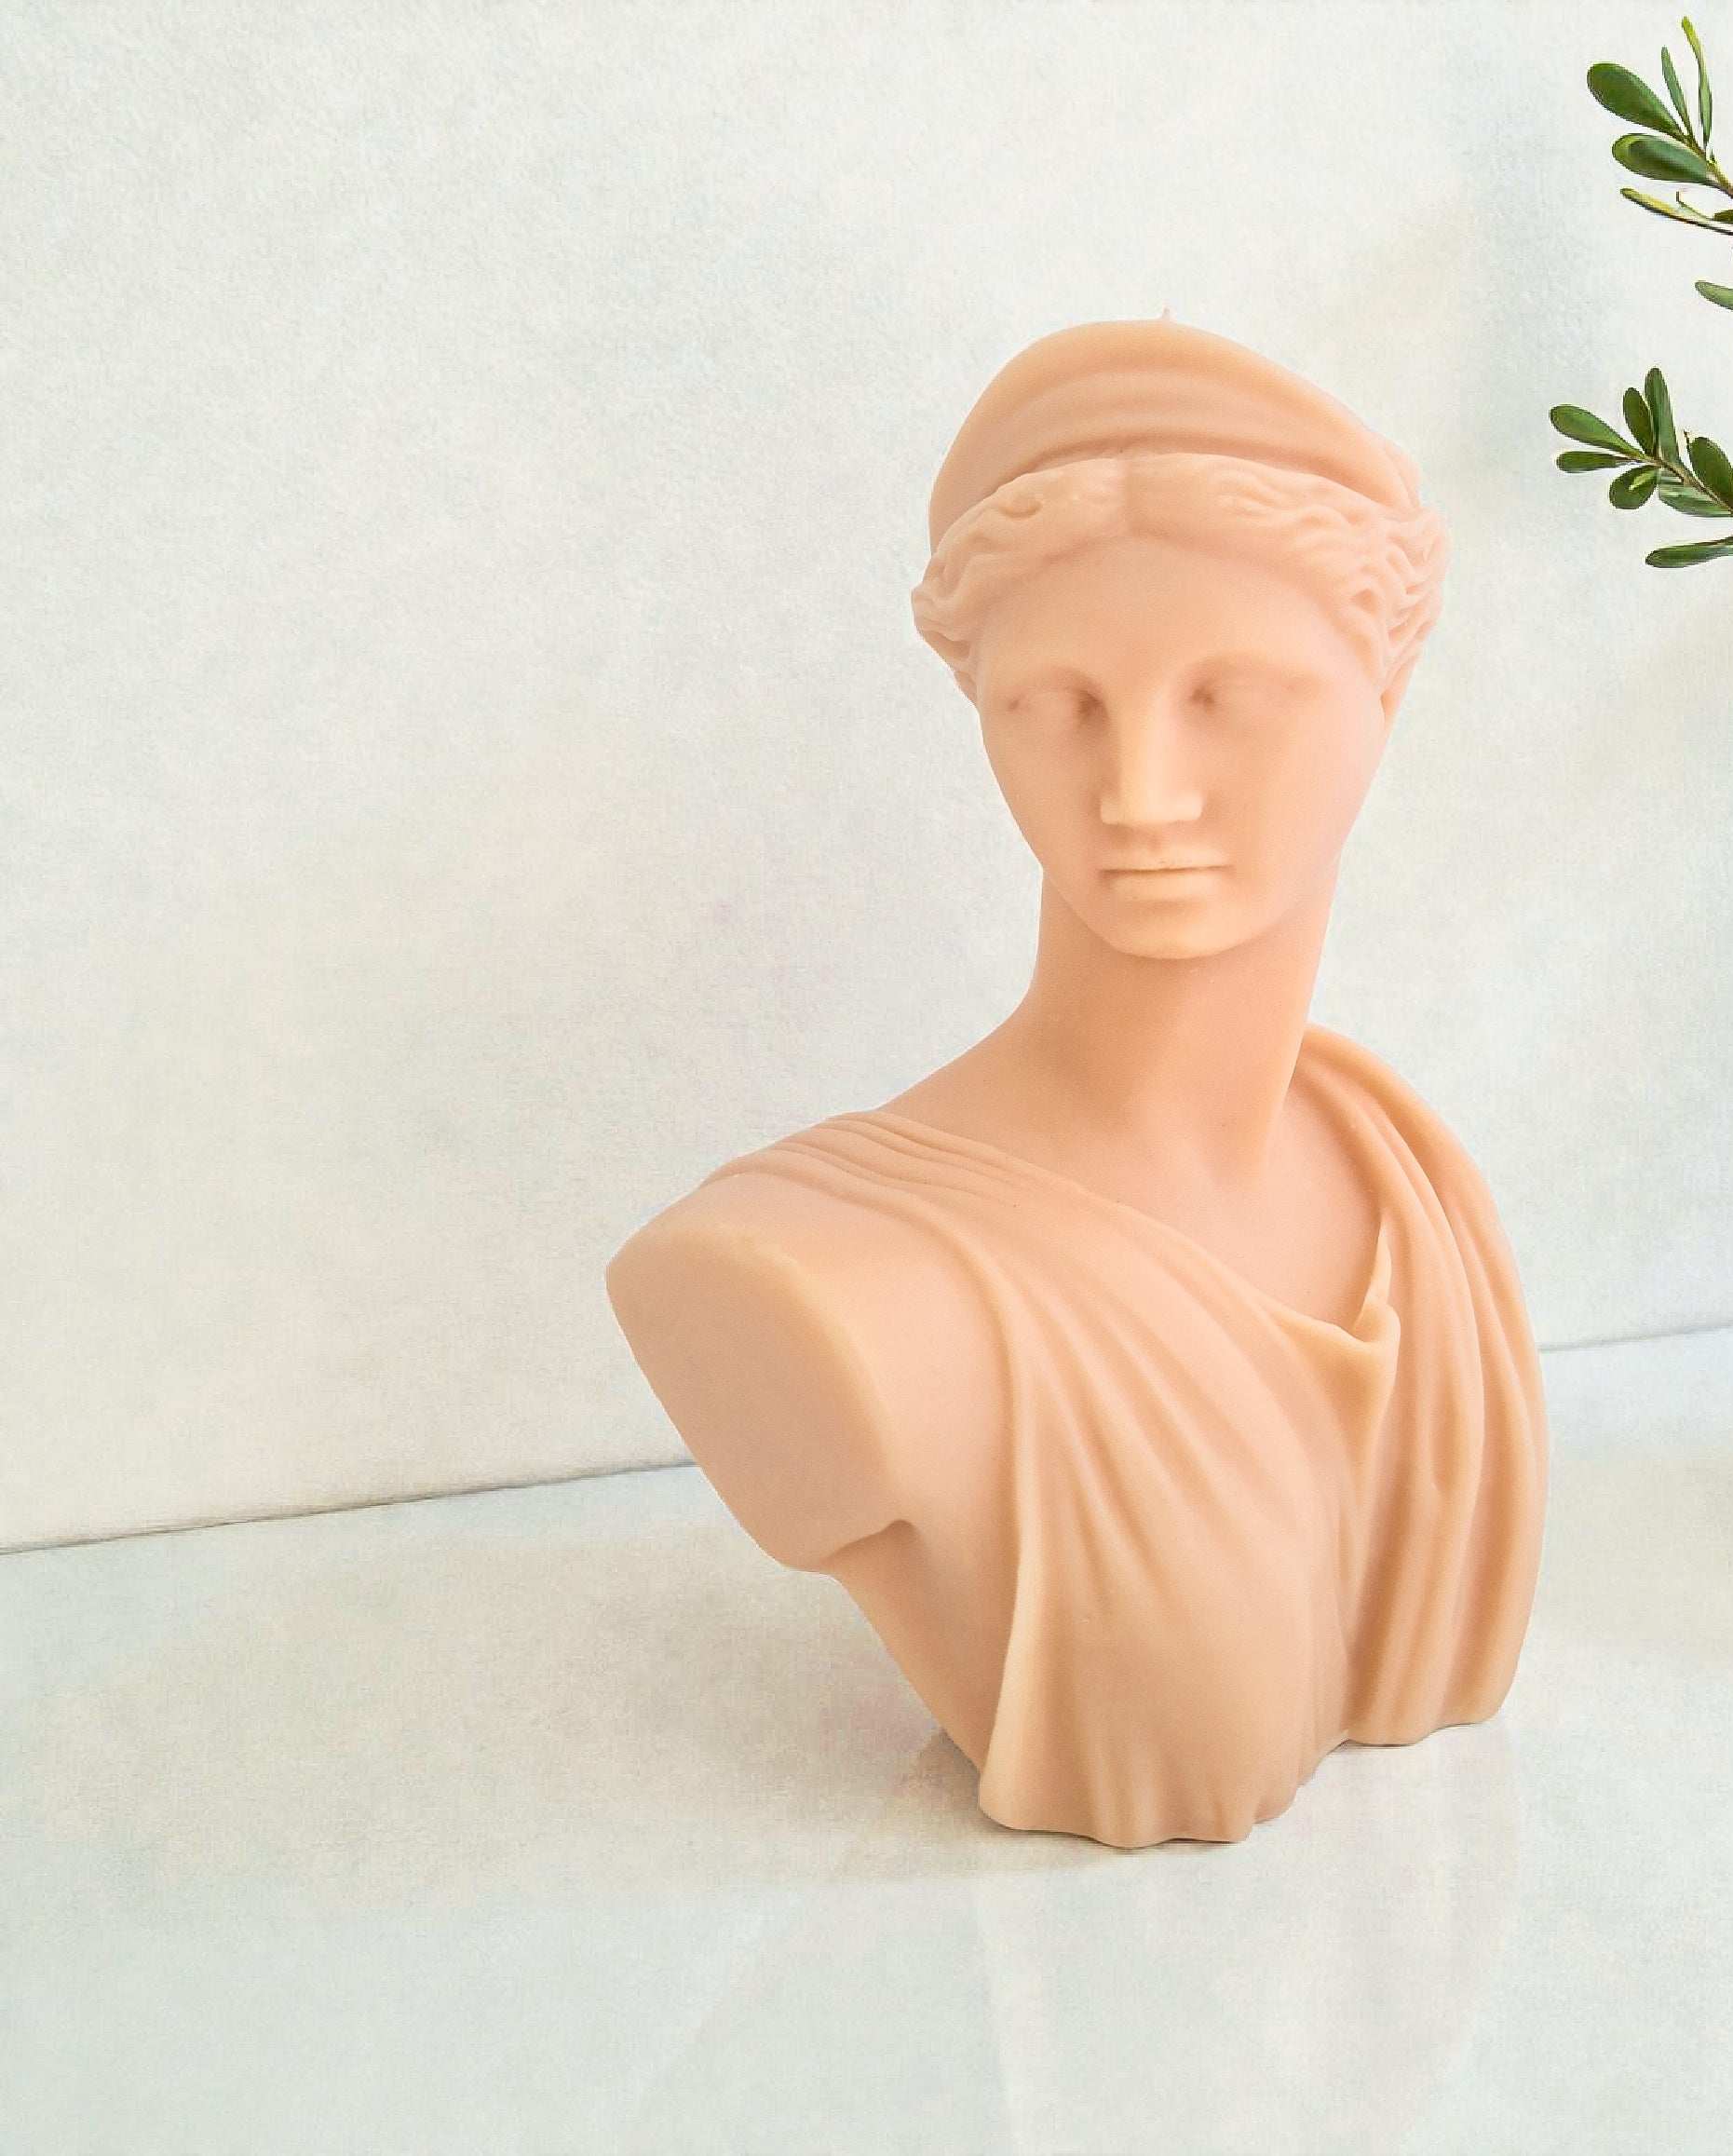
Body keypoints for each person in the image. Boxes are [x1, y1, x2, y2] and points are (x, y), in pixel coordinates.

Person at [606, 317, 1548, 1850]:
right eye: (1052, 708)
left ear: (1385, 696)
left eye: (1229, 698)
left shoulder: (1401, 1177)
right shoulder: (798, 1281)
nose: (1142, 794)